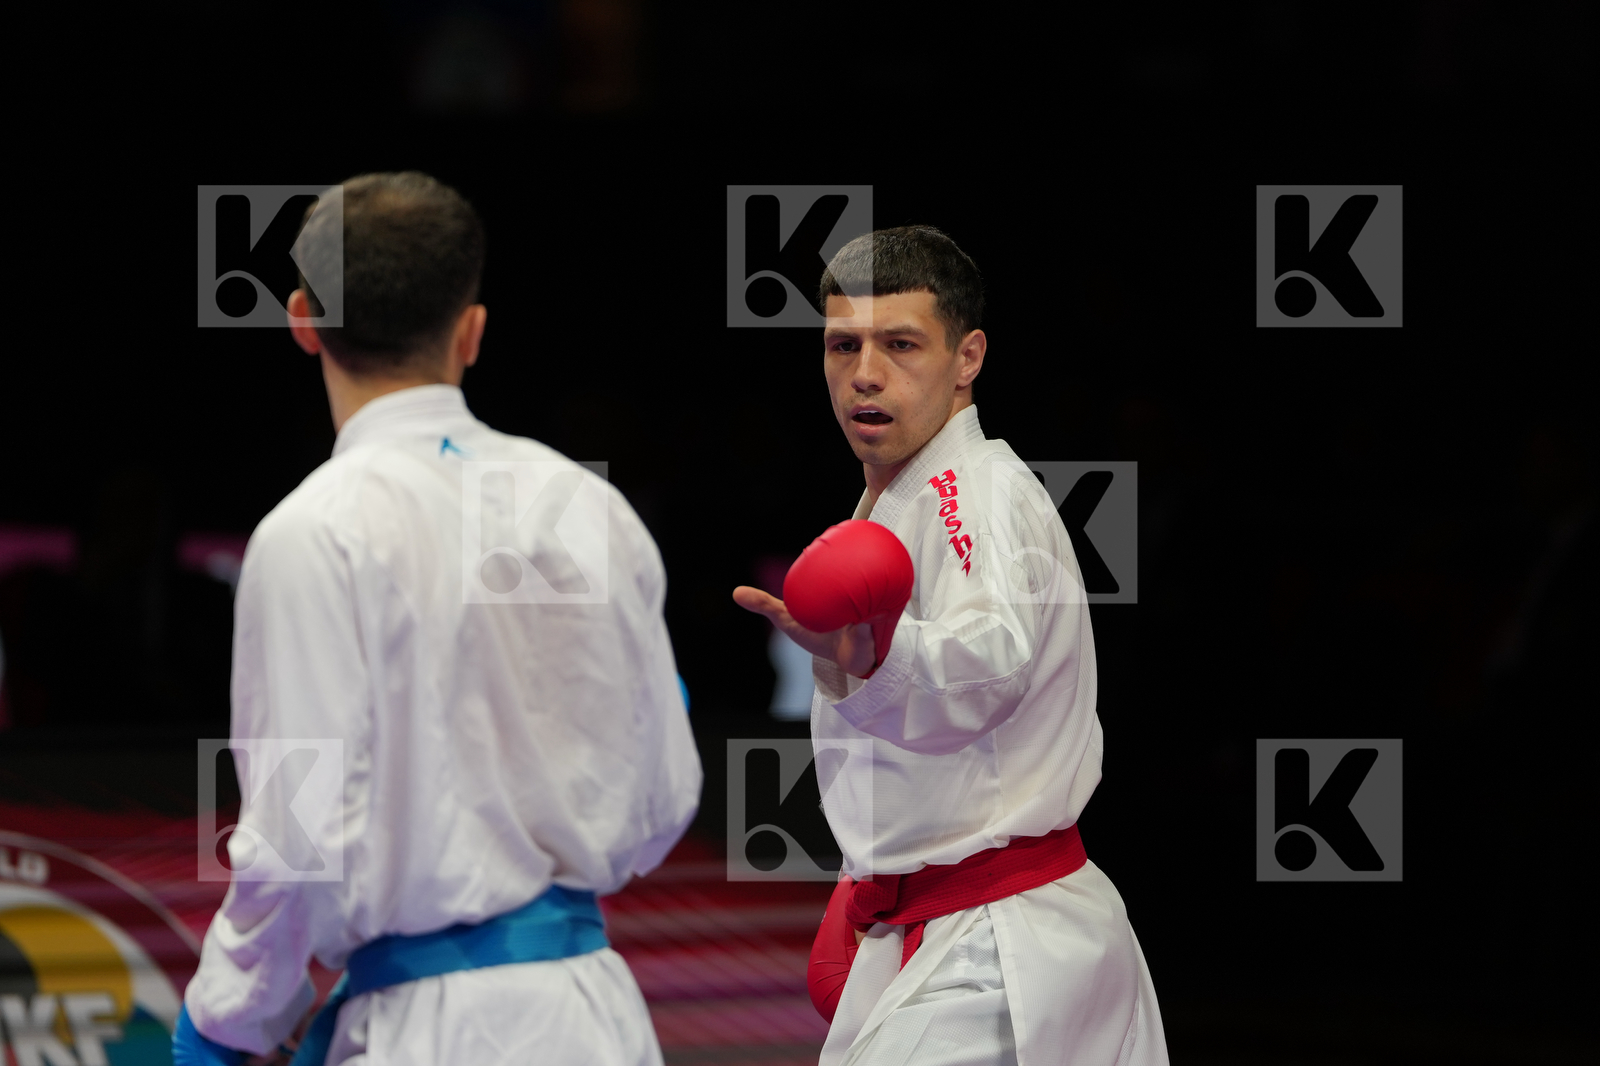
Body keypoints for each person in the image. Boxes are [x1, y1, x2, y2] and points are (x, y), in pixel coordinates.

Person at [176, 172, 702, 1065]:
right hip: (594, 1014)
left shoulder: (315, 530)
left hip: (427, 1033)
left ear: (302, 319)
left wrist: (229, 1016)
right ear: (472, 330)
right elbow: (663, 798)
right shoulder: (581, 503)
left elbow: (297, 834)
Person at [733, 226, 1169, 1065]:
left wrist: (876, 656)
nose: (865, 373)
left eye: (901, 345)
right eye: (844, 346)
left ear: (968, 357)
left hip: (999, 953)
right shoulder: (906, 494)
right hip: (953, 925)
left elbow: (991, 657)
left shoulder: (978, 495)